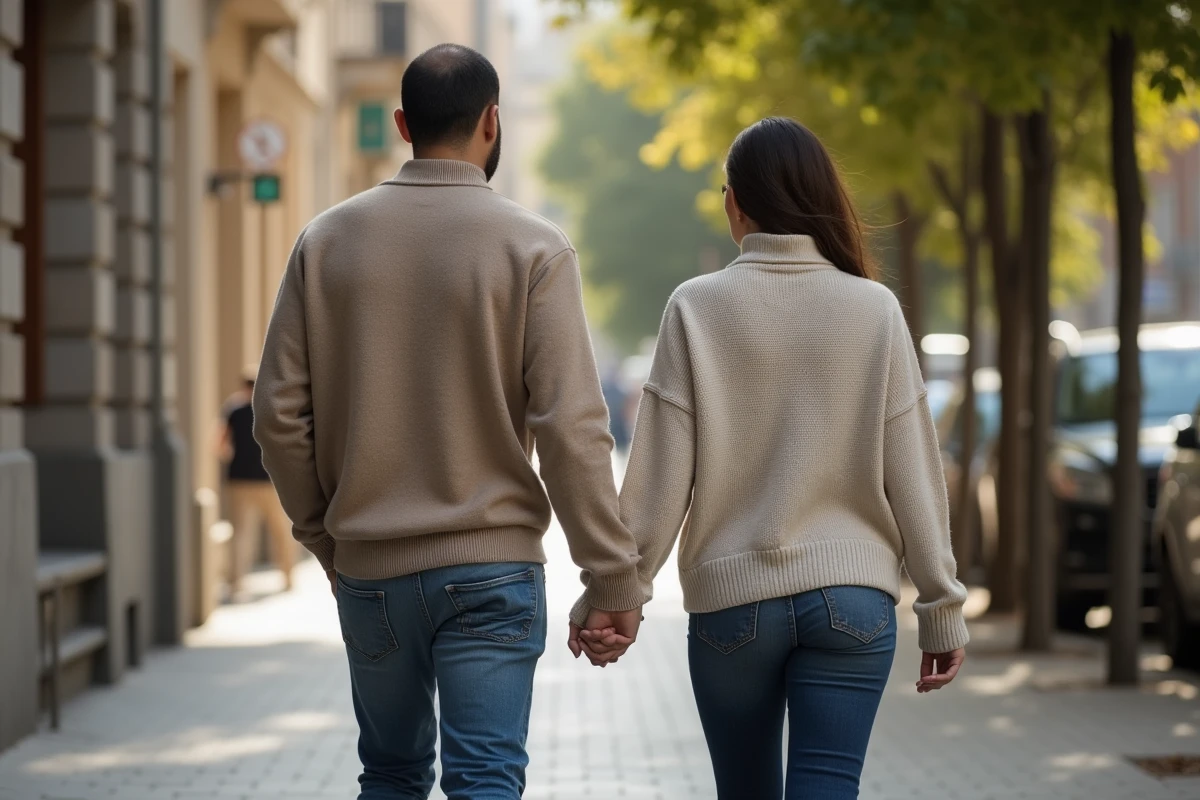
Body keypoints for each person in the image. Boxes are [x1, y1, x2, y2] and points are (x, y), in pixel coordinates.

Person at [252, 43, 643, 800]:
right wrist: (610, 574)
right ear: (493, 122)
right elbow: (572, 427)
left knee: (390, 777)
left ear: (402, 123)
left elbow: (277, 416)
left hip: (371, 568)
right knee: (486, 779)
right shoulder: (534, 247)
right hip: (493, 569)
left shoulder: (325, 241)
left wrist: (324, 537)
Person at [569, 117, 970, 799]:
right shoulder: (874, 309)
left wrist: (617, 592)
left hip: (734, 605)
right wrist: (941, 605)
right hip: (855, 600)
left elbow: (660, 475)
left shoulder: (696, 307)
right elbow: (913, 473)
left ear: (736, 202)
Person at [219, 366, 294, 595]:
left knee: (240, 533)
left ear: (243, 387)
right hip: (270, 481)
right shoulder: (271, 409)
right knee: (281, 530)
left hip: (239, 480)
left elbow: (219, 445)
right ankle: (288, 577)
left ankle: (236, 582)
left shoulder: (233, 410)